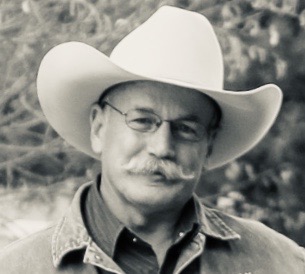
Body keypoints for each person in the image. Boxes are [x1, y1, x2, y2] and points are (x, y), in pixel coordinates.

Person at [0, 5, 304, 274]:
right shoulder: (16, 268)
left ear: (209, 144)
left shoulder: (281, 263)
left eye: (186, 128)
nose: (162, 147)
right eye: (142, 121)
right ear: (98, 126)